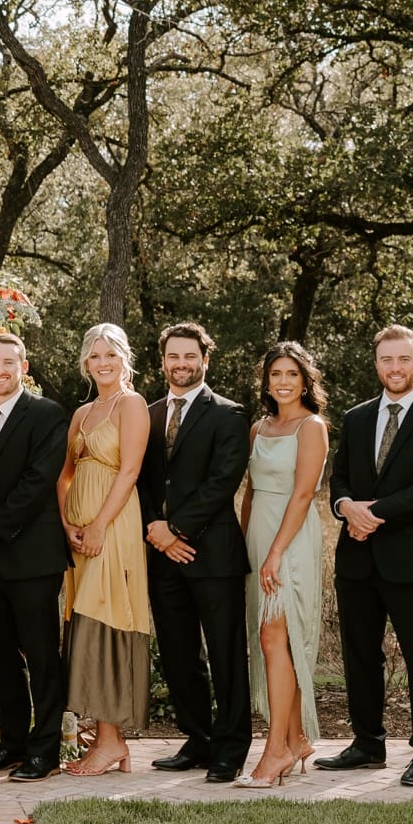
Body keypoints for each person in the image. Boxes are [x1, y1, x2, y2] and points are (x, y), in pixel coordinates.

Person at [319, 324, 413, 787]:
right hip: (357, 558)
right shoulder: (358, 417)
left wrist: (371, 512)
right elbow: (337, 481)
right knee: (360, 655)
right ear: (377, 363)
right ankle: (367, 744)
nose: (395, 368)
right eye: (387, 360)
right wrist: (345, 508)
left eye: (404, 359)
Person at [137, 322, 251, 784]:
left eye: (190, 356)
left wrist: (177, 529)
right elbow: (138, 479)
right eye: (173, 357)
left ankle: (231, 747)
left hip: (213, 552)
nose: (181, 364)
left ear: (206, 359)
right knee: (178, 652)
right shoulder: (146, 412)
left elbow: (224, 481)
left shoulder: (229, 414)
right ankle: (198, 738)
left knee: (225, 652)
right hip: (161, 552)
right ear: (162, 361)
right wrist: (155, 530)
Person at [0, 332, 71, 783]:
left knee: (42, 654)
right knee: (1, 655)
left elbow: (38, 479)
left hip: (32, 554)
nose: (0, 370)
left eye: (9, 362)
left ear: (23, 366)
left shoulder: (46, 414)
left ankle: (45, 751)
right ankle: (12, 743)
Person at [234, 342, 330, 788]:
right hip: (258, 537)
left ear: (305, 380)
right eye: (276, 374)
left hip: (291, 537)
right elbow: (251, 490)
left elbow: (304, 494)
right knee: (271, 639)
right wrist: (247, 545)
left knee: (276, 637)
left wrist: (275, 551)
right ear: (266, 381)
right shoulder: (260, 427)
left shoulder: (312, 427)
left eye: (292, 374)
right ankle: (295, 740)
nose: (284, 382)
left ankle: (275, 751)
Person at [57, 324, 152, 776]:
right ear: (86, 363)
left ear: (124, 357)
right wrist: (66, 522)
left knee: (107, 621)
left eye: (110, 354)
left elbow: (130, 469)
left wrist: (97, 525)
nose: (103, 363)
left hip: (112, 526)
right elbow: (65, 476)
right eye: (95, 356)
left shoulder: (131, 405)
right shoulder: (82, 412)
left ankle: (111, 741)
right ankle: (106, 741)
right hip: (78, 531)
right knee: (83, 622)